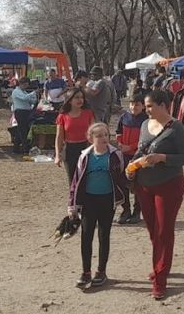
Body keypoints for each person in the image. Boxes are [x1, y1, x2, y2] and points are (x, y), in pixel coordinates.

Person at [129, 90, 184, 300]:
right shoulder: (145, 125)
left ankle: (160, 278)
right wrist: (132, 163)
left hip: (169, 185)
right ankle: (161, 264)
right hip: (144, 186)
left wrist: (162, 157)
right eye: (145, 106)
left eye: (149, 106)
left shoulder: (177, 128)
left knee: (164, 231)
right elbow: (140, 150)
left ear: (163, 105)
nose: (146, 110)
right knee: (153, 230)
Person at [68, 122, 127, 289]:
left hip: (108, 201)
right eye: (99, 135)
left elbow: (121, 175)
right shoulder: (85, 157)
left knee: (104, 235)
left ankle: (101, 271)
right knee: (86, 236)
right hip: (89, 201)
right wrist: (72, 204)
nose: (103, 138)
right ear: (90, 138)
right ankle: (86, 272)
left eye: (106, 135)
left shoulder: (115, 155)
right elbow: (75, 181)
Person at [115, 93, 147, 224]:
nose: (134, 106)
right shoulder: (124, 117)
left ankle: (137, 212)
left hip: (138, 157)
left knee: (138, 185)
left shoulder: (146, 120)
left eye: (137, 104)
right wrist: (120, 144)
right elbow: (118, 132)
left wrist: (131, 147)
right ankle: (125, 209)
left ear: (143, 106)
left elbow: (145, 140)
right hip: (124, 155)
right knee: (122, 183)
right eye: (132, 104)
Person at [55, 88, 96, 184]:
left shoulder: (88, 113)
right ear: (69, 100)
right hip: (69, 151)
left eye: (81, 97)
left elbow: (94, 133)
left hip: (86, 149)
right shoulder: (62, 116)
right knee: (73, 181)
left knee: (86, 180)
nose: (80, 100)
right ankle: (74, 199)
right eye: (76, 97)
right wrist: (57, 155)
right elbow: (59, 137)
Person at [11, 77, 38, 154]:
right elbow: (24, 98)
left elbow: (31, 101)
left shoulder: (24, 92)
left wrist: (34, 97)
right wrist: (33, 93)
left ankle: (16, 148)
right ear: (22, 83)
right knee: (23, 131)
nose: (27, 86)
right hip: (20, 112)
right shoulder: (16, 91)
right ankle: (25, 148)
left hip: (26, 112)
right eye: (26, 84)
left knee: (21, 130)